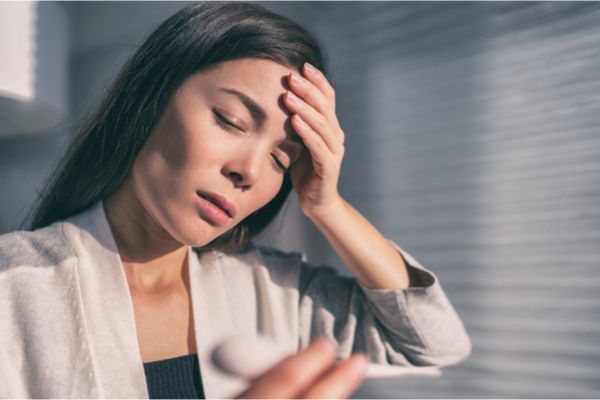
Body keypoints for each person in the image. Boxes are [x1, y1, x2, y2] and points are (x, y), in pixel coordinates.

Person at [0, 2, 471, 398]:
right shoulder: (14, 288)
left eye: (281, 162)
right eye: (230, 120)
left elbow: (431, 344)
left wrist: (327, 206)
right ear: (150, 97)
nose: (248, 171)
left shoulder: (274, 291)